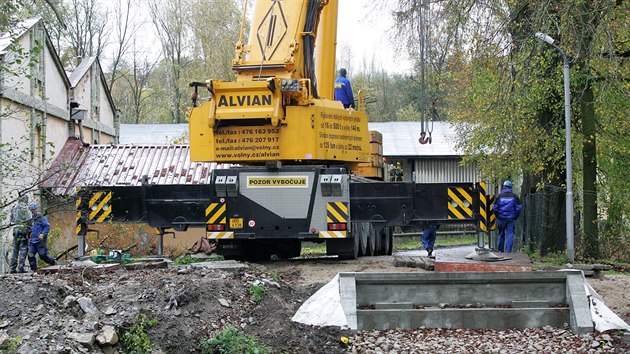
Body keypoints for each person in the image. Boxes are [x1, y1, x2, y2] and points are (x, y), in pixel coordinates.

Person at [493, 180, 522, 253]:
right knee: (510, 235)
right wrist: (515, 216)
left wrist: (498, 216)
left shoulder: (499, 196)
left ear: (503, 187)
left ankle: (500, 250)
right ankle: (508, 251)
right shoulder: (515, 196)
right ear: (511, 187)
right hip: (511, 218)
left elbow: (494, 208)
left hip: (501, 218)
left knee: (501, 234)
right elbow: (519, 208)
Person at [27, 202, 56, 271]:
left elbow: (47, 226)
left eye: (33, 209)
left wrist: (42, 234)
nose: (32, 211)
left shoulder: (41, 218)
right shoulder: (31, 219)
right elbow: (29, 229)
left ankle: (53, 262)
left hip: (40, 241)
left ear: (36, 209)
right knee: (30, 255)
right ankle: (34, 270)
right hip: (32, 241)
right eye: (31, 210)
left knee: (42, 255)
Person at [9, 195, 33, 273]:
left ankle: (12, 268)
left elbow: (11, 219)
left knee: (15, 249)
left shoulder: (14, 207)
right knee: (23, 248)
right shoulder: (26, 208)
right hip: (23, 229)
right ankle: (20, 267)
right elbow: (29, 219)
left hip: (15, 229)